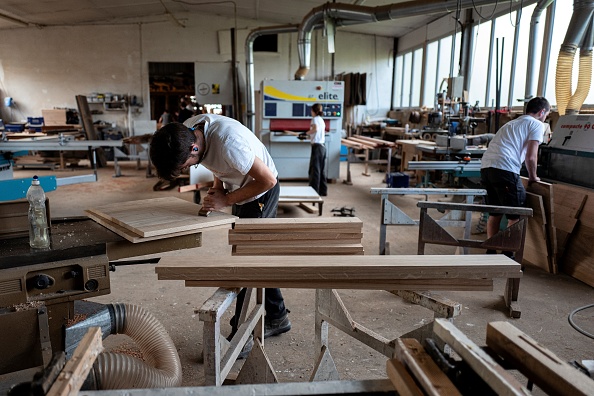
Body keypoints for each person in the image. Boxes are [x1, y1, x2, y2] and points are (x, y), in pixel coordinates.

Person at [149, 113, 291, 354]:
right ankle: (277, 316)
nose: (189, 167)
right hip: (241, 185)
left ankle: (240, 334)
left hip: (260, 190)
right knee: (253, 256)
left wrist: (225, 200)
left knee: (246, 261)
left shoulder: (229, 144)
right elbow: (212, 160)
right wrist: (218, 188)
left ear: (193, 148)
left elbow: (267, 180)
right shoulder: (188, 132)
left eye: (187, 164)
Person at [480, 96, 550, 254]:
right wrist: (533, 177)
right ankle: (508, 254)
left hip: (486, 168)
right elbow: (531, 156)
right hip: (505, 169)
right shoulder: (537, 124)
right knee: (515, 215)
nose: (545, 118)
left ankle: (490, 252)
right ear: (542, 112)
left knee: (495, 212)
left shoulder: (511, 123)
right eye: (546, 114)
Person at [304, 103, 328, 196]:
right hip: (322, 147)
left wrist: (306, 133)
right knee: (321, 170)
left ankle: (313, 192)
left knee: (314, 170)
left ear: (313, 111)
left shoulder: (315, 119)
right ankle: (323, 191)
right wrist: (309, 136)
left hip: (317, 148)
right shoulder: (321, 120)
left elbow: (315, 129)